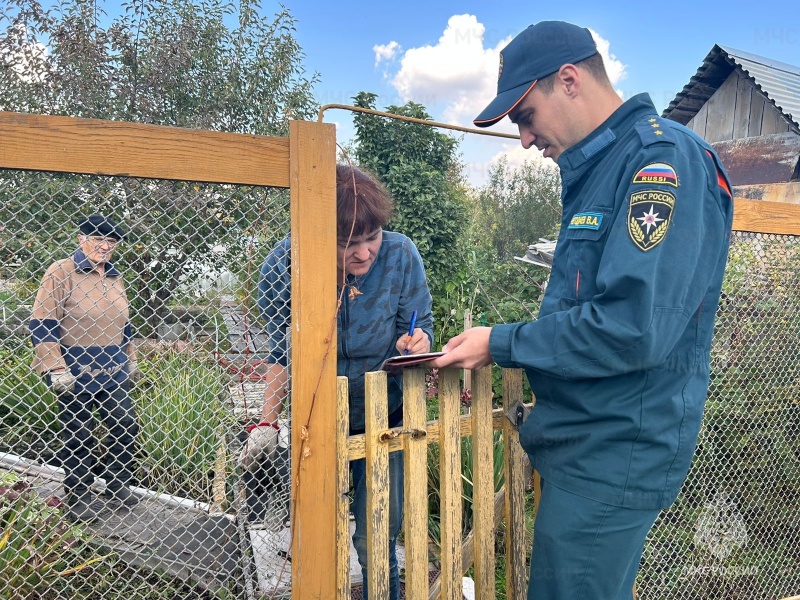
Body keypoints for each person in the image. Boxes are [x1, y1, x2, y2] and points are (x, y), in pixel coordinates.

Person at [432, 21, 733, 599]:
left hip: (613, 455)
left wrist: (500, 342)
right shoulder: (603, 168)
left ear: (568, 80)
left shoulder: (660, 163)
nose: (523, 139)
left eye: (524, 116)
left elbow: (632, 327)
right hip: (587, 447)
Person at [239, 164, 434, 600]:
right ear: (319, 235)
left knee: (376, 531)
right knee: (316, 528)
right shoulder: (285, 263)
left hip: (386, 413)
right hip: (317, 417)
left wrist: (416, 342)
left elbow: (422, 328)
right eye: (349, 243)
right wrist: (267, 424)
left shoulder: (402, 256)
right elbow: (279, 351)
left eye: (372, 238)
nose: (364, 253)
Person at [29, 214, 142, 523]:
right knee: (79, 433)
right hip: (74, 368)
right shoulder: (61, 272)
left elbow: (124, 324)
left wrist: (131, 358)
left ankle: (117, 484)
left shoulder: (114, 276)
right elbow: (41, 323)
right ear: (81, 239)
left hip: (113, 367)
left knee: (125, 424)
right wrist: (55, 367)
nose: (104, 246)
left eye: (111, 242)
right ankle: (79, 493)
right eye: (97, 239)